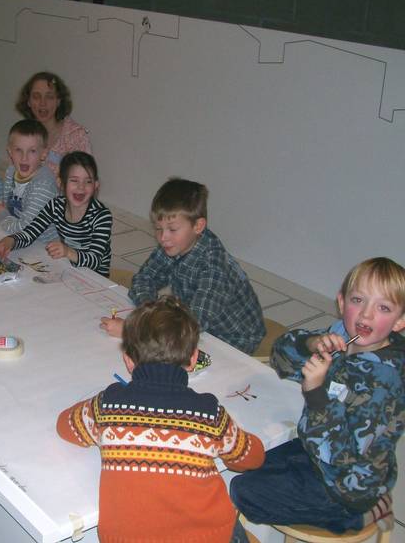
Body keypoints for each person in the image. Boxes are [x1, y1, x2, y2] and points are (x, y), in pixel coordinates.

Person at [57, 297, 265, 542]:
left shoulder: (107, 406)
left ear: (128, 360)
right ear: (193, 359)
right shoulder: (209, 414)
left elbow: (65, 426)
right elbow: (252, 458)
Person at [231, 257, 405, 534]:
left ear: (400, 321)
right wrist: (309, 343)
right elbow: (280, 359)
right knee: (246, 456)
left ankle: (360, 515)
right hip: (315, 451)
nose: (366, 315)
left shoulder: (382, 381)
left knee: (243, 490)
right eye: (358, 300)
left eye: (383, 307)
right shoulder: (342, 334)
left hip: (345, 487)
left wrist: (315, 393)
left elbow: (340, 455)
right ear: (341, 302)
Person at [100, 177, 265, 354]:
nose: (163, 237)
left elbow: (189, 328)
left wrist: (132, 331)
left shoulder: (214, 268)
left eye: (172, 229)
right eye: (158, 228)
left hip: (232, 340)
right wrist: (151, 313)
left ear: (198, 226)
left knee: (164, 359)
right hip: (195, 322)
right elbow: (144, 278)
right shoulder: (177, 243)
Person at [0, 151, 112, 276]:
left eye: (88, 181)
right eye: (74, 180)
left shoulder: (101, 216)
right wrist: (10, 241)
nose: (81, 187)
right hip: (70, 270)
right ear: (60, 183)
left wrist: (67, 252)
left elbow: (95, 261)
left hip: (96, 278)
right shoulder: (55, 206)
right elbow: (30, 233)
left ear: (96, 185)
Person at [0, 119, 58, 244]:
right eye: (18, 150)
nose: (24, 158)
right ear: (10, 152)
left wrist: (2, 216)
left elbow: (27, 230)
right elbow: (5, 203)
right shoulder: (11, 171)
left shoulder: (44, 186)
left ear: (44, 154)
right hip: (17, 233)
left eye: (32, 151)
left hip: (43, 244)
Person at [15, 71, 91, 176]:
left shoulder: (76, 136)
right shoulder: (21, 136)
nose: (42, 103)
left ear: (58, 100)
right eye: (36, 96)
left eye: (49, 97)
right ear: (28, 101)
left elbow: (84, 180)